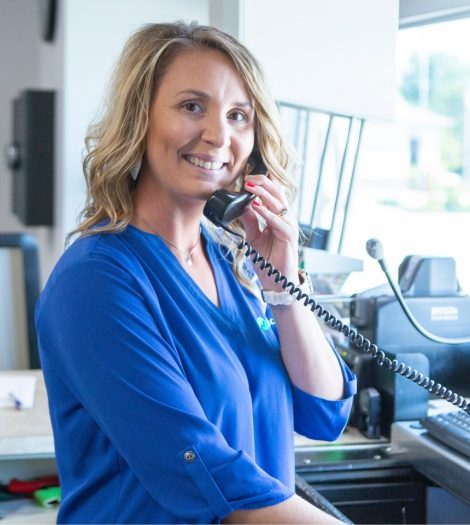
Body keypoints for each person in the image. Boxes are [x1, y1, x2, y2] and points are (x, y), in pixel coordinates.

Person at [35, 21, 356, 524]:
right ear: (140, 118)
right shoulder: (95, 281)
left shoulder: (234, 267)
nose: (217, 135)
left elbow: (324, 409)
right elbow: (208, 474)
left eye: (238, 116)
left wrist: (282, 286)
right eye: (191, 107)